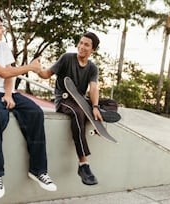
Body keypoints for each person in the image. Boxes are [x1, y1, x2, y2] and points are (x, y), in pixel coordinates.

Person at [0, 11, 57, 199]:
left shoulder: (2, 46)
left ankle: (38, 170)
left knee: (35, 112)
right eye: (0, 26)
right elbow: (2, 72)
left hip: (6, 91)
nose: (3, 29)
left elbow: (9, 73)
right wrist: (31, 67)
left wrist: (9, 95)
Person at [38, 32, 118, 185]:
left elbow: (93, 88)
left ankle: (96, 117)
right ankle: (83, 164)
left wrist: (94, 106)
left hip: (81, 100)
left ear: (92, 50)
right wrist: (36, 69)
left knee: (111, 104)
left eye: (86, 45)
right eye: (81, 43)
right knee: (78, 112)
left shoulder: (92, 68)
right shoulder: (66, 58)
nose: (82, 47)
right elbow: (46, 74)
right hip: (64, 100)